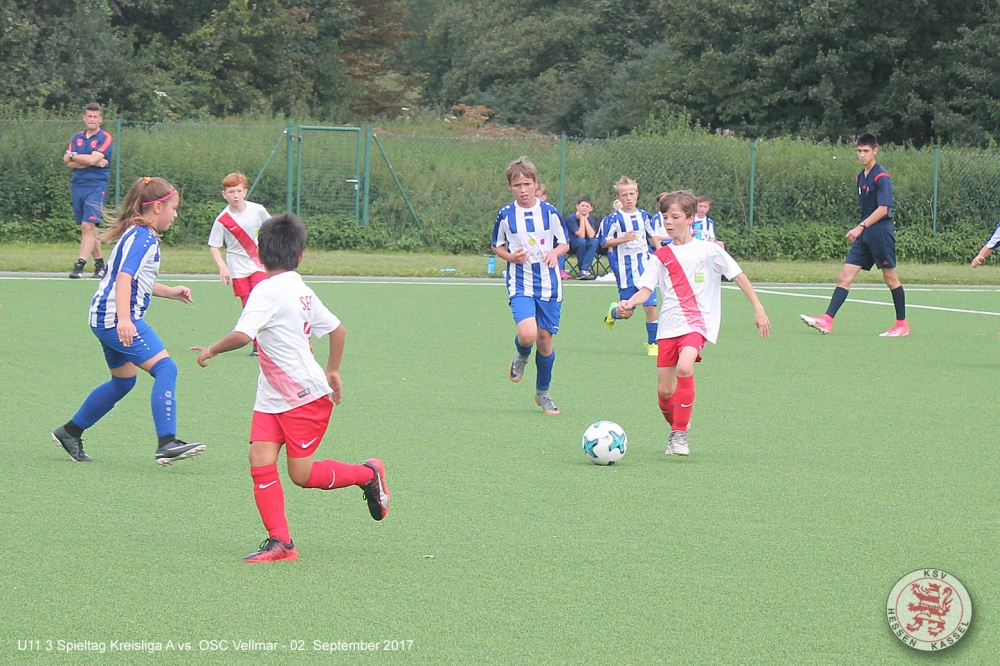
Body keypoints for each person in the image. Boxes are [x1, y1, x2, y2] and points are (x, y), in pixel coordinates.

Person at [192, 213, 389, 563]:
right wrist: (333, 370)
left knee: (302, 475)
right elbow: (338, 330)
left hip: (303, 397)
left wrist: (211, 349)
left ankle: (368, 474)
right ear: (301, 256)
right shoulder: (302, 290)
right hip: (271, 396)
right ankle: (281, 542)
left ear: (259, 256)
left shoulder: (266, 290)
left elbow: (243, 335)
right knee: (259, 457)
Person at [51, 177, 205, 465]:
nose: (175, 214)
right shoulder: (143, 237)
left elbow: (134, 280)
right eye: (173, 208)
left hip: (103, 316)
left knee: (123, 381)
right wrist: (124, 319)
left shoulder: (137, 233)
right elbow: (124, 278)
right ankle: (167, 442)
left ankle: (70, 432)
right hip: (114, 318)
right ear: (157, 208)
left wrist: (169, 291)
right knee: (166, 368)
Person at [618, 191, 770, 456]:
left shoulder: (708, 250)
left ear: (690, 219)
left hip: (698, 324)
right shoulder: (661, 255)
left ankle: (679, 434)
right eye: (665, 217)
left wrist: (759, 309)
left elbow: (739, 276)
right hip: (668, 327)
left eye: (675, 217)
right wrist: (630, 303)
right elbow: (645, 289)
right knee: (665, 392)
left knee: (685, 366)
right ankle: (678, 426)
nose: (669, 222)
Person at [800, 133, 909, 337]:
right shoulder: (860, 177)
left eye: (866, 151)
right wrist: (862, 229)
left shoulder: (882, 177)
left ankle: (902, 324)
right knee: (844, 277)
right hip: (865, 233)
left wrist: (860, 226)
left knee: (891, 280)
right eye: (859, 151)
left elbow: (883, 209)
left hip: (880, 233)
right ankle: (827, 320)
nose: (862, 155)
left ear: (875, 151)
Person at [493, 157, 568, 415]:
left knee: (545, 340)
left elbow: (564, 242)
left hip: (549, 285)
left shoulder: (550, 212)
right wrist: (510, 257)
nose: (523, 190)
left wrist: (554, 253)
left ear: (536, 184)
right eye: (517, 185)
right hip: (520, 282)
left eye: (527, 184)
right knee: (528, 335)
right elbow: (496, 245)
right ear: (510, 187)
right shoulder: (506, 215)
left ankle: (542, 393)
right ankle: (521, 353)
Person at [207, 172, 271, 355]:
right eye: (231, 192)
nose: (235, 195)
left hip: (259, 264)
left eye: (238, 191)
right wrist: (223, 267)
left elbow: (271, 229)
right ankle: (256, 344)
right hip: (237, 268)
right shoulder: (222, 219)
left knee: (262, 300)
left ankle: (268, 343)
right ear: (224, 194)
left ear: (245, 192)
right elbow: (214, 245)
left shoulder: (257, 210)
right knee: (248, 305)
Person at [600, 177, 661, 356]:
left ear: (637, 194)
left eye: (631, 194)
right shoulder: (614, 219)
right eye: (624, 195)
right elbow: (604, 242)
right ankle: (613, 312)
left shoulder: (643, 215)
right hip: (625, 270)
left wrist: (661, 251)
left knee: (650, 306)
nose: (629, 198)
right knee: (626, 312)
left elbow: (651, 235)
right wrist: (622, 239)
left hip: (645, 267)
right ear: (618, 197)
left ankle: (653, 344)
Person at [64, 102, 113, 280]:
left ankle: (79, 265)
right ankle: (100, 266)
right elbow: (68, 162)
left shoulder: (105, 137)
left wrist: (75, 157)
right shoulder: (76, 137)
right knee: (88, 229)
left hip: (96, 185)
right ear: (84, 118)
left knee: (88, 226)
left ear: (100, 119)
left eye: (95, 117)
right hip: (78, 184)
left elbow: (92, 160)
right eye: (89, 116)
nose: (92, 119)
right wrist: (84, 159)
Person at [561, 196, 601, 280]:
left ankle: (583, 270)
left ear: (591, 209)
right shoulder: (571, 218)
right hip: (572, 244)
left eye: (587, 206)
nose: (584, 208)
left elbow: (591, 235)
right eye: (582, 206)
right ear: (577, 206)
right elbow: (581, 235)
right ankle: (584, 270)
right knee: (581, 241)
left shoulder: (590, 219)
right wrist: (582, 218)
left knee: (594, 242)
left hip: (585, 243)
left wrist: (585, 220)